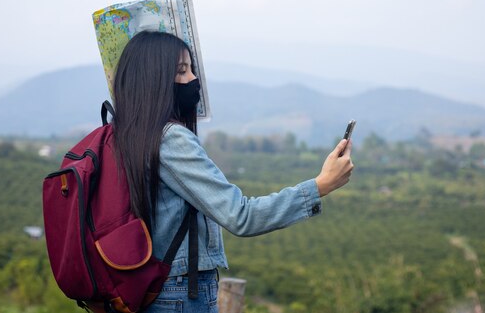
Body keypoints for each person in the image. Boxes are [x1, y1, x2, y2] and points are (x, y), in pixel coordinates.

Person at [112, 31, 354, 312]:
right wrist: (321, 185)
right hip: (178, 294)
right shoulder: (170, 139)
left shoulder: (125, 135)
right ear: (154, 79)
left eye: (192, 69)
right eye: (181, 71)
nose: (193, 79)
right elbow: (242, 216)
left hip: (148, 289)